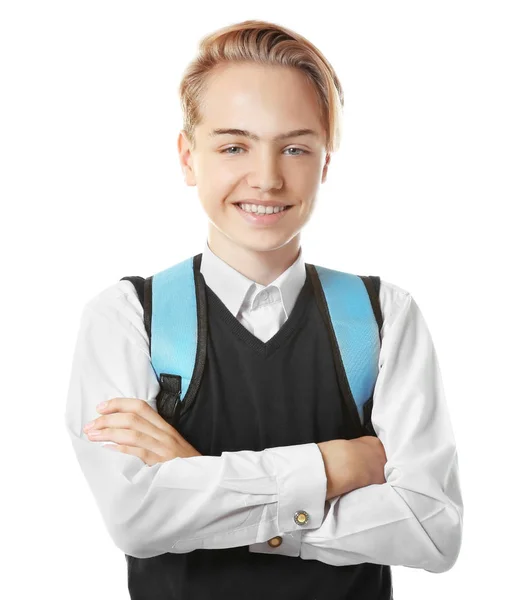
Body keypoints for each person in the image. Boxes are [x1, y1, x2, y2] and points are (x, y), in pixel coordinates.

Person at [64, 19, 463, 600]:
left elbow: (433, 530)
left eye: (296, 147)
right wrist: (335, 467)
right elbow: (137, 520)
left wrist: (196, 476)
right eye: (233, 146)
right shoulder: (127, 318)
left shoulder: (383, 317)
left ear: (326, 162)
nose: (268, 177)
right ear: (187, 157)